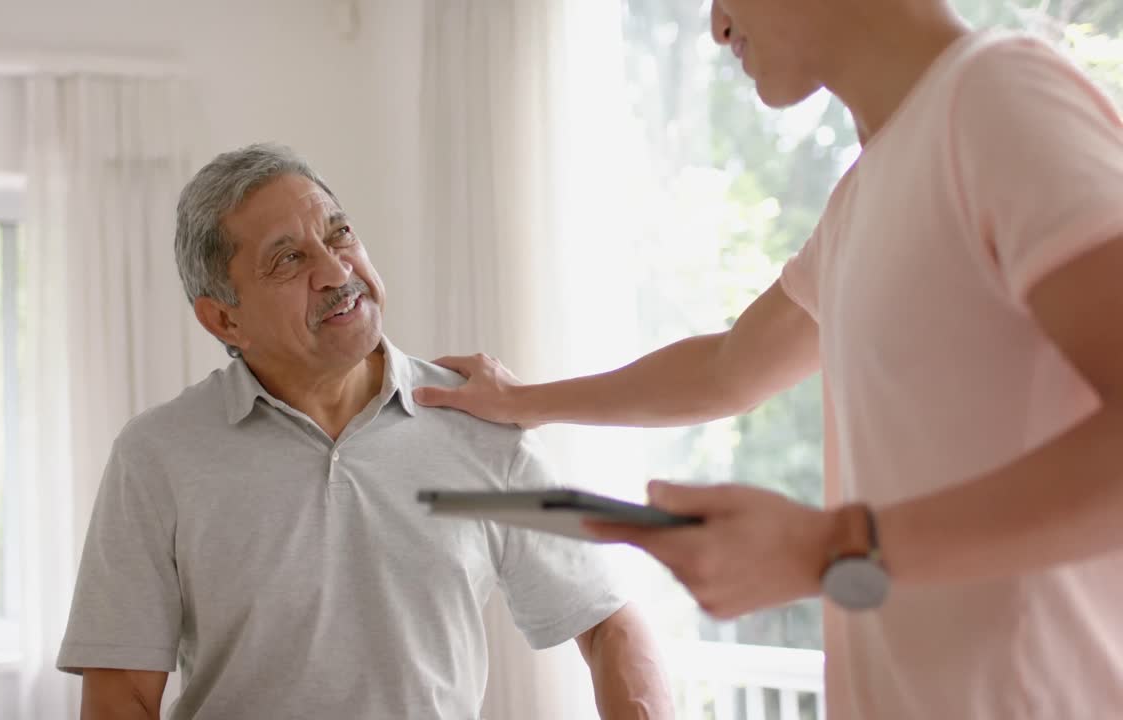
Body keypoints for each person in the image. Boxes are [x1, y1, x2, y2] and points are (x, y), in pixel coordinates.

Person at [412, 1, 1123, 718]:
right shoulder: (861, 200)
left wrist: (829, 548)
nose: (717, 26)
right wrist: (522, 401)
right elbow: (726, 367)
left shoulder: (998, 100)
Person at [56, 143, 674, 719]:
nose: (334, 271)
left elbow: (608, 624)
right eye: (288, 259)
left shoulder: (478, 423)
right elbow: (122, 695)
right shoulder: (158, 456)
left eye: (339, 234)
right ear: (224, 319)